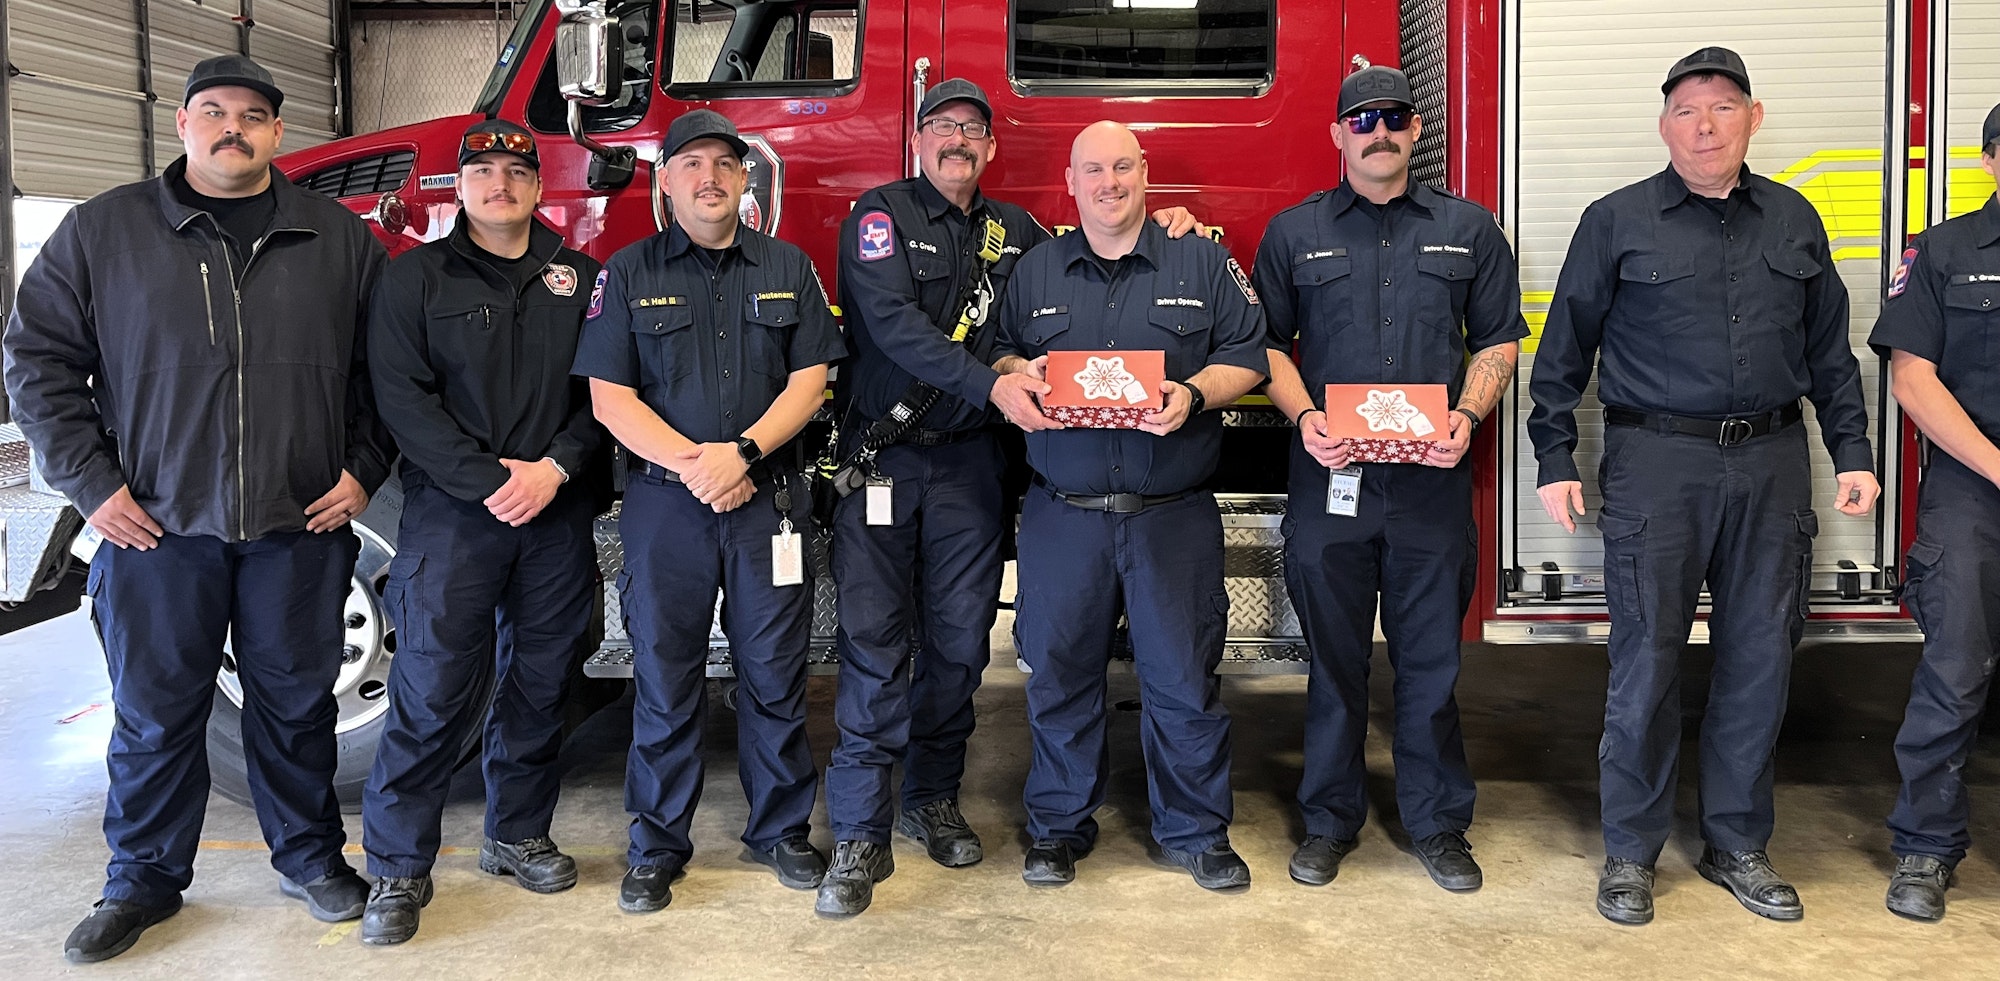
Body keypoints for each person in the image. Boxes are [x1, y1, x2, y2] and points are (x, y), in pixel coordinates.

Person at [3, 55, 393, 963]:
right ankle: (140, 879)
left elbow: (390, 372)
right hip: (158, 529)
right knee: (153, 712)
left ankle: (309, 858)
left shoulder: (337, 239)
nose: (233, 128)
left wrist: (367, 468)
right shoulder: (103, 233)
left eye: (252, 115)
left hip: (298, 528)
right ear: (181, 126)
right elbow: (38, 363)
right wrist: (92, 483)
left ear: (276, 134)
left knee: (296, 709)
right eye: (213, 112)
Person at [819, 78, 1201, 916]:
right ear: (918, 138)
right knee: (877, 646)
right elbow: (894, 328)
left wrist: (1175, 229)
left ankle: (930, 796)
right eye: (944, 126)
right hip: (885, 462)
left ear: (991, 149)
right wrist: (989, 381)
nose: (959, 139)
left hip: (969, 470)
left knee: (959, 644)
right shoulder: (877, 218)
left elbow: (1054, 299)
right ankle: (858, 829)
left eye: (974, 130)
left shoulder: (1017, 234)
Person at [1527, 46, 1879, 925]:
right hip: (1658, 466)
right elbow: (1561, 354)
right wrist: (1555, 457)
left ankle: (1738, 843)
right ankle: (1630, 854)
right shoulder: (1616, 220)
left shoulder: (1795, 219)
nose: (1706, 124)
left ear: (1754, 118)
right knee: (1644, 662)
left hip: (1771, 462)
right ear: (1664, 127)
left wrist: (1855, 450)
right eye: (1687, 110)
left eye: (1723, 106)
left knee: (1759, 658)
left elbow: (1832, 355)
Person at [1252, 65, 1526, 893]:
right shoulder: (1291, 233)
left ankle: (1438, 823)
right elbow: (1263, 349)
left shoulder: (1469, 229)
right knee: (1334, 664)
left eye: (1395, 118)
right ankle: (1330, 820)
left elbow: (1499, 340)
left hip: (1430, 488)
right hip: (1333, 483)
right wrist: (1307, 422)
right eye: (1362, 118)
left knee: (1431, 662)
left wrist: (1467, 419)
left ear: (1415, 131)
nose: (1379, 131)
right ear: (1338, 133)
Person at [572, 109, 846, 914]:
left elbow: (812, 382)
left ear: (745, 177)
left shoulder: (789, 267)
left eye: (724, 164)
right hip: (668, 506)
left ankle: (781, 831)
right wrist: (696, 465)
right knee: (664, 677)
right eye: (690, 164)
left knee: (774, 675)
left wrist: (744, 455)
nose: (709, 178)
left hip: (768, 503)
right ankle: (656, 844)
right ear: (666, 181)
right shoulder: (625, 272)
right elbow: (609, 397)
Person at [989, 121, 1268, 891]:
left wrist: (1191, 392)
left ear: (1145, 174)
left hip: (1171, 513)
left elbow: (1249, 354)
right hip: (1063, 513)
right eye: (1092, 170)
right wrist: (1018, 369)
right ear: (1070, 184)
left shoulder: (1203, 261)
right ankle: (1056, 826)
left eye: (1122, 166)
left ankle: (1197, 829)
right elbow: (997, 351)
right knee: (1058, 673)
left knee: (1183, 676)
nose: (1108, 182)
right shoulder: (1036, 270)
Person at [357, 119, 612, 944]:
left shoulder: (582, 277)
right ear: (457, 187)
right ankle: (397, 865)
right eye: (482, 171)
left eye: (515, 171)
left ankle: (516, 834)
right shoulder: (415, 279)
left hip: (555, 512)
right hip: (455, 516)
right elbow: (402, 399)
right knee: (431, 688)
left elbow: (604, 394)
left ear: (540, 188)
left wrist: (555, 469)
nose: (499, 184)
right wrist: (489, 481)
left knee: (541, 684)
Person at [1864, 101, 2000, 922]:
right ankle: (1924, 846)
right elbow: (1913, 379)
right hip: (1974, 484)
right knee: (1957, 669)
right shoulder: (1948, 251)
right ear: (1990, 159)